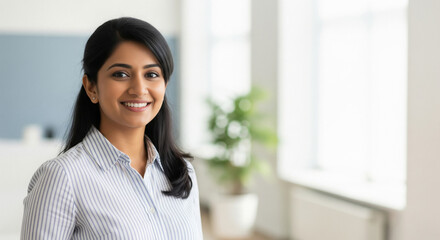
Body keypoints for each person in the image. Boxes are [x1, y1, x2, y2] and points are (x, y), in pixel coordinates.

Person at [21, 17, 203, 239]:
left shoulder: (181, 171)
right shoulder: (62, 177)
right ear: (91, 87)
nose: (139, 89)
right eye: (121, 74)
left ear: (164, 84)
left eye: (152, 74)